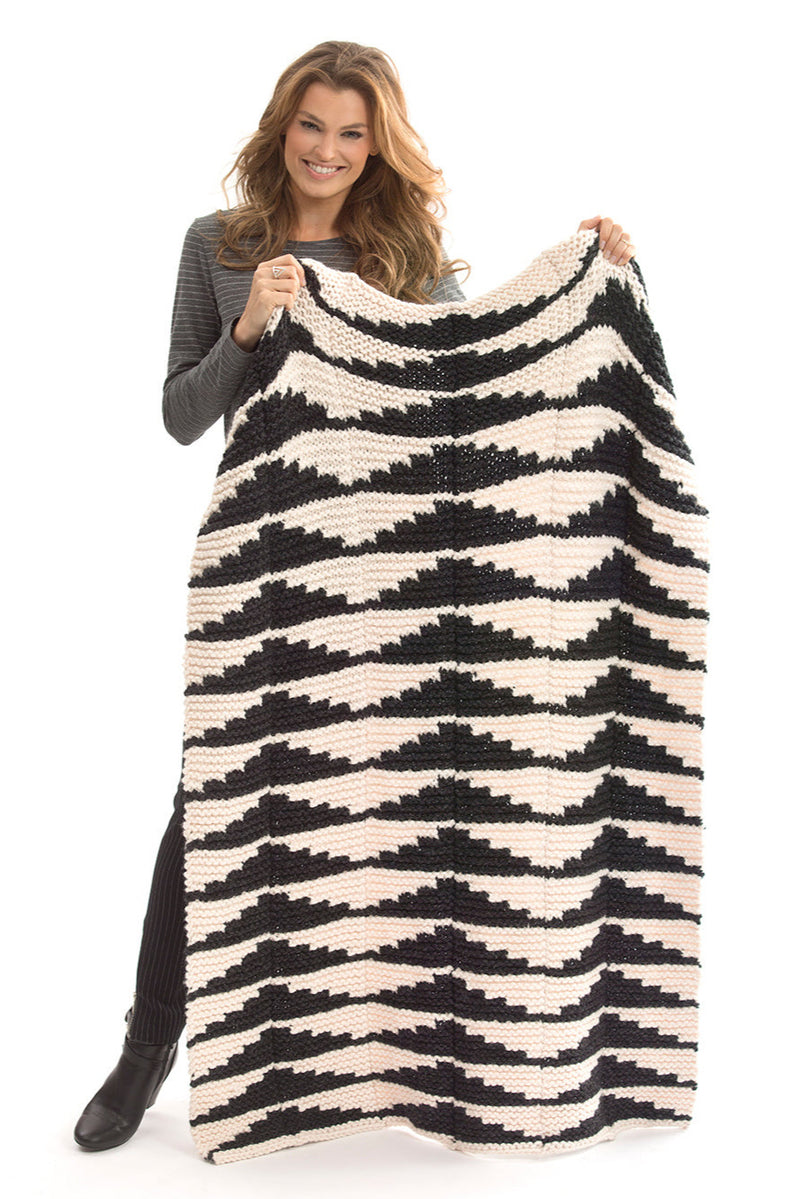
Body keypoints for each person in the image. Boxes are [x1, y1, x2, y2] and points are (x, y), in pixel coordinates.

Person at [73, 38, 636, 1153]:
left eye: (350, 133)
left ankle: (409, 1051)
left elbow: (475, 379)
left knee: (406, 798)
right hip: (271, 566)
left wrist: (591, 273)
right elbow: (182, 416)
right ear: (280, 126)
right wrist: (250, 326)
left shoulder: (405, 247)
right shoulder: (219, 244)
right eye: (310, 125)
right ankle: (147, 1048)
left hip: (392, 571)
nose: (326, 150)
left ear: (377, 146)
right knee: (214, 798)